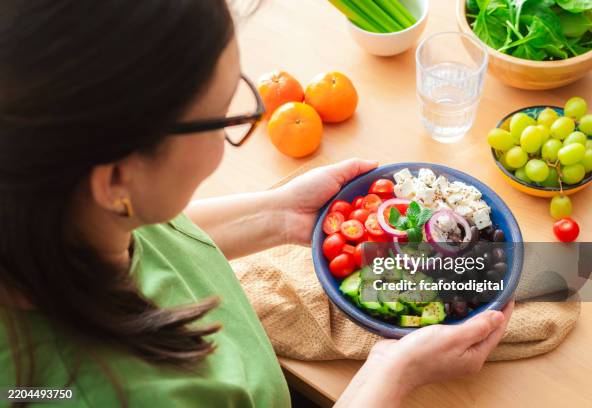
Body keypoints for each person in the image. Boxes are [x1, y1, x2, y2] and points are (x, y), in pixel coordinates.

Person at [0, 1, 513, 407]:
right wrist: (394, 374)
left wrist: (275, 215)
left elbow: (153, 235)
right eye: (223, 116)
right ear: (115, 180)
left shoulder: (53, 201)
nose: (242, 123)